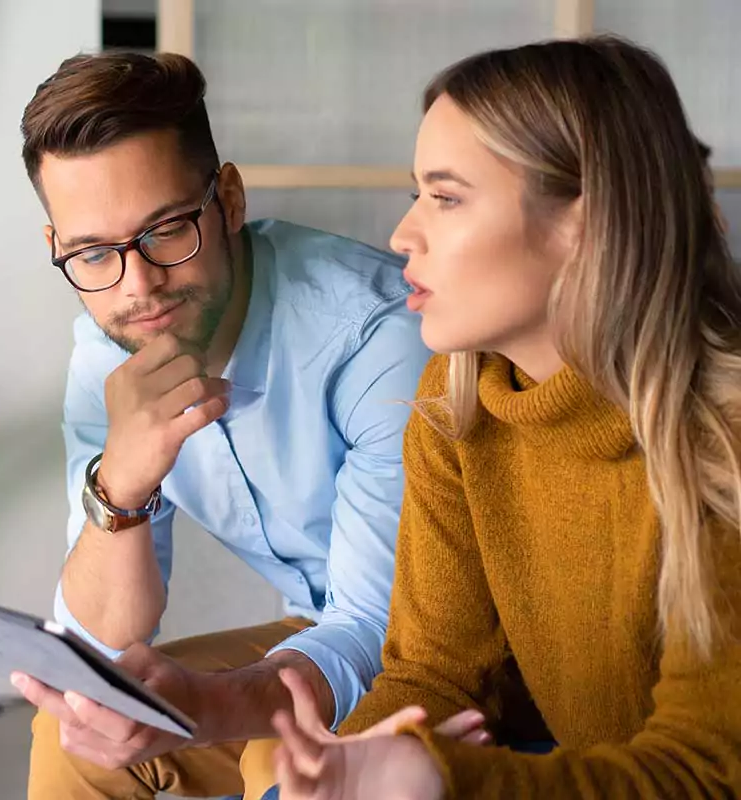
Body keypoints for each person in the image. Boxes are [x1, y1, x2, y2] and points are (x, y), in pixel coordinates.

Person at [271, 35, 741, 799]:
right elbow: (433, 679)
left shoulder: (723, 437)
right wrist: (340, 773)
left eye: (446, 197)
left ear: (583, 224)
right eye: (417, 192)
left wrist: (439, 777)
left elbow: (703, 772)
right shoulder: (458, 404)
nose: (403, 234)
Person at [8, 51, 465, 800]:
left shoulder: (374, 337)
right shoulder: (107, 348)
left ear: (228, 198)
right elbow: (100, 646)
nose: (139, 284)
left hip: (446, 647)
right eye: (95, 253)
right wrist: (120, 483)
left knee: (275, 761)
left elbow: (379, 633)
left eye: (165, 231)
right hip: (323, 629)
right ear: (59, 249)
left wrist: (210, 705)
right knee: (76, 733)